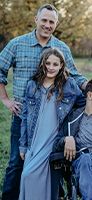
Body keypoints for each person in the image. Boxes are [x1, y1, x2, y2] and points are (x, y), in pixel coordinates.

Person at [0, 4, 87, 199]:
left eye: (51, 22)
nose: (47, 25)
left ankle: (54, 194)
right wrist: (5, 99)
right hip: (24, 116)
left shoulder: (61, 48)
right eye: (44, 20)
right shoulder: (17, 44)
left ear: (56, 24)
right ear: (36, 20)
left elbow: (75, 76)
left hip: (52, 117)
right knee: (16, 163)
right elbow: (0, 68)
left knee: (51, 162)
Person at [18, 48, 86, 200]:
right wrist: (23, 145)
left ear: (61, 65)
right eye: (47, 63)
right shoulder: (32, 85)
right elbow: (25, 116)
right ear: (42, 63)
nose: (51, 67)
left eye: (55, 64)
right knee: (28, 176)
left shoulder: (68, 85)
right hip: (34, 139)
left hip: (52, 138)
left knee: (31, 175)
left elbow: (86, 103)